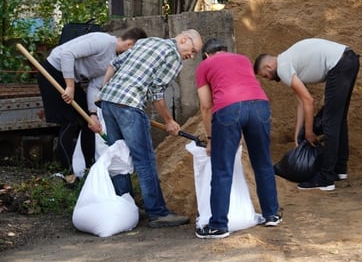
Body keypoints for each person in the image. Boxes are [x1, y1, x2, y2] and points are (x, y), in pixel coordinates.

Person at [97, 29, 203, 228]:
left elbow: (114, 64)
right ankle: (157, 213)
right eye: (193, 50)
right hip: (129, 106)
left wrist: (103, 90)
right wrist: (169, 121)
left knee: (119, 157)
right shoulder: (173, 56)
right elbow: (157, 93)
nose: (192, 56)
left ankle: (125, 207)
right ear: (183, 39)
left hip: (108, 102)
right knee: (144, 161)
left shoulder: (148, 42)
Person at [194, 39, 281, 239]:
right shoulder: (243, 59)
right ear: (225, 50)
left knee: (222, 168)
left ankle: (218, 225)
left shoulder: (205, 65)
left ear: (206, 55)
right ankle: (272, 214)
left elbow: (206, 105)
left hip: (228, 109)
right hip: (260, 106)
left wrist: (211, 138)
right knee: (263, 163)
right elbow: (244, 97)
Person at [254, 38, 359, 191]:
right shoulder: (289, 60)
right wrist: (297, 135)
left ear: (268, 66)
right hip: (350, 59)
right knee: (338, 119)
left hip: (339, 64)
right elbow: (302, 103)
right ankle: (339, 169)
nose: (268, 79)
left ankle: (326, 179)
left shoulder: (283, 68)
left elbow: (309, 101)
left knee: (330, 123)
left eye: (265, 76)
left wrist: (309, 132)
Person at [38, 27, 147, 172]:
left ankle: (90, 168)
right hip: (52, 71)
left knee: (89, 122)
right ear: (129, 45)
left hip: (70, 79)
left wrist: (93, 113)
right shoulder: (102, 41)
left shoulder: (114, 61)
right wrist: (70, 86)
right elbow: (67, 54)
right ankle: (65, 172)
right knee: (69, 121)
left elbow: (95, 86)